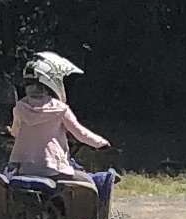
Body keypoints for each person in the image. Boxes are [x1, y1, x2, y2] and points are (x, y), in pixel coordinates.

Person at [8, 52, 113, 188]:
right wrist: (101, 143)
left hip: (25, 169)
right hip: (54, 169)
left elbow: (15, 132)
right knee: (89, 183)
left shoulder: (20, 108)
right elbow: (81, 134)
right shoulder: (60, 109)